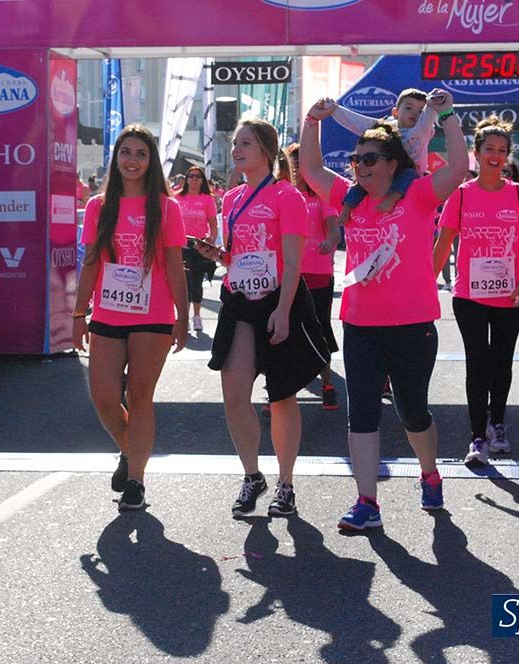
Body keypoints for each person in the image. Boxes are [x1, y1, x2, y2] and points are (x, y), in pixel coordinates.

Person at [301, 90, 466, 529]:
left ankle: (429, 473)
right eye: (356, 159)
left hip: (413, 324)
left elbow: (458, 169)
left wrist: (447, 115)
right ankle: (367, 501)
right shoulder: (349, 198)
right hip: (360, 324)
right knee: (362, 413)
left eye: (370, 159)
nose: (360, 165)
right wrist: (312, 121)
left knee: (412, 412)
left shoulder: (418, 195)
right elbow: (311, 169)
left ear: (392, 164)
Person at [195, 117, 329, 520]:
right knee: (234, 395)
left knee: (282, 396)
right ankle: (252, 475)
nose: (237, 149)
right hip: (239, 301)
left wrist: (284, 311)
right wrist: (219, 256)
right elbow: (238, 255)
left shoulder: (288, 195)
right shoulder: (232, 197)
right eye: (235, 143)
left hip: (278, 300)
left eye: (246, 143)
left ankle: (286, 484)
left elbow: (292, 261)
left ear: (267, 152)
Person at [72, 124, 188, 512]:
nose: (132, 160)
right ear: (116, 158)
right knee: (104, 398)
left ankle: (136, 480)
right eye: (126, 152)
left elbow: (175, 266)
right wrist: (78, 313)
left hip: (153, 316)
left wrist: (182, 316)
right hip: (107, 314)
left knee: (140, 396)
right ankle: (131, 450)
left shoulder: (167, 208)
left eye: (141, 153)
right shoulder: (98, 206)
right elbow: (91, 262)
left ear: (151, 161)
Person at [433, 116, 519, 467]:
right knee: (477, 364)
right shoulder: (461, 195)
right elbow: (443, 245)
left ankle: (499, 423)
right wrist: (425, 288)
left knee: (502, 362)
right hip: (469, 296)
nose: (495, 156)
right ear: (476, 153)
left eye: (502, 150)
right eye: (489, 149)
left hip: (510, 294)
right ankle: (477, 436)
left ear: (508, 155)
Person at [285, 142, 341, 410]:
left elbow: (334, 229)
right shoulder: (283, 195)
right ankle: (284, 390)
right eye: (293, 164)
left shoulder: (321, 196)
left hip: (318, 272)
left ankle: (327, 383)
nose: (297, 169)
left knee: (319, 328)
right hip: (288, 273)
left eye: (301, 163)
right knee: (287, 330)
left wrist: (330, 240)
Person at [328, 88, 438, 219]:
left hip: (412, 173)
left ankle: (391, 200)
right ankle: (346, 209)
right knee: (361, 181)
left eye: (420, 111)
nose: (414, 113)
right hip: (385, 172)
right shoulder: (385, 127)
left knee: (408, 173)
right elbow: (357, 122)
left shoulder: (423, 131)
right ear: (396, 112)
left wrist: (433, 101)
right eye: (409, 108)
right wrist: (334, 109)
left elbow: (428, 119)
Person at [175, 165, 218, 333]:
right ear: (186, 179)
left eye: (197, 176)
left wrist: (210, 241)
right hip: (181, 246)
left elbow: (213, 225)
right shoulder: (178, 197)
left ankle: (197, 316)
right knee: (183, 283)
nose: (194, 179)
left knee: (197, 282)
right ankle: (183, 317)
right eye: (191, 176)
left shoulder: (207, 199)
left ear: (202, 180)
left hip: (199, 246)